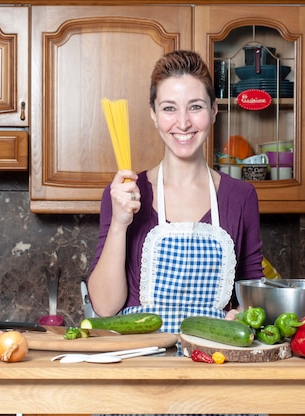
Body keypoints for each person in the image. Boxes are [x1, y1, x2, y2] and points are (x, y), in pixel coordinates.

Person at [88, 49, 264, 334]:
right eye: (169, 108)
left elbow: (253, 295)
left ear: (214, 110)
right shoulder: (126, 192)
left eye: (195, 107)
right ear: (154, 115)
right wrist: (120, 224)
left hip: (213, 359)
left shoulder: (241, 197)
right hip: (140, 363)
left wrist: (243, 314)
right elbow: (105, 308)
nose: (183, 123)